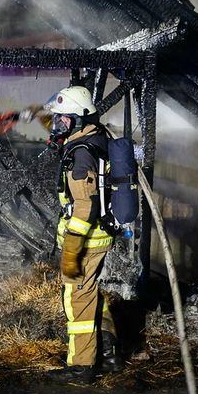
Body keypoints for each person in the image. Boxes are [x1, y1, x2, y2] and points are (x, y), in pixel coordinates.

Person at [48, 85, 121, 372]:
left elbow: (85, 205)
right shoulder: (96, 138)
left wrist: (72, 248)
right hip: (100, 236)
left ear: (79, 119)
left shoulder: (81, 153)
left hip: (86, 240)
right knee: (89, 291)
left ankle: (81, 367)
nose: (59, 123)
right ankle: (110, 351)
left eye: (65, 118)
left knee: (76, 297)